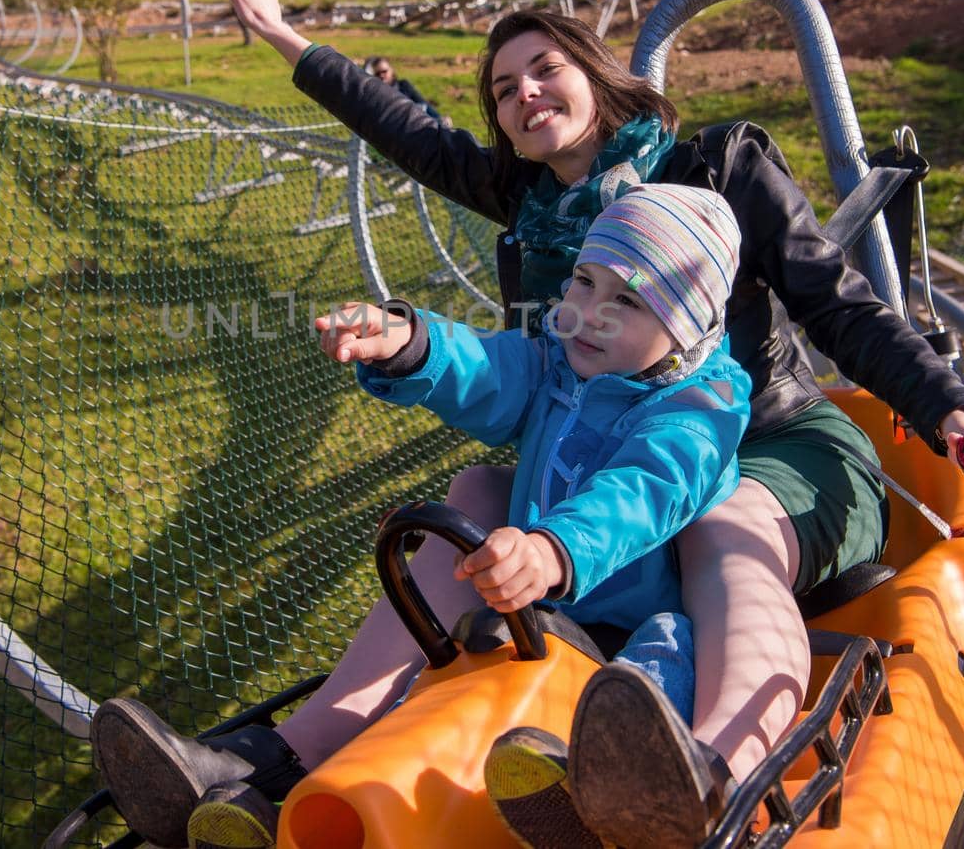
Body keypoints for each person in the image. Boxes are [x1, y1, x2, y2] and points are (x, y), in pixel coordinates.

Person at [90, 0, 964, 849]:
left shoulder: (715, 171)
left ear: (595, 69)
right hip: (610, 460)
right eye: (503, 89)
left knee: (721, 522)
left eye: (545, 68)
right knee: (466, 499)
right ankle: (276, 762)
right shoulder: (533, 202)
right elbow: (412, 140)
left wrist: (952, 411)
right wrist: (288, 40)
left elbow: (840, 307)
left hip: (760, 445)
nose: (525, 94)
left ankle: (722, 769)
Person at [92, 185, 754, 849]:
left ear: (687, 329)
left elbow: (647, 488)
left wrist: (556, 550)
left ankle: (612, 790)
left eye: (627, 301)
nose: (585, 314)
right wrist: (411, 343)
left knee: (671, 645)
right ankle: (276, 775)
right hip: (530, 612)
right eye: (583, 281)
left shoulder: (703, 407)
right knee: (437, 668)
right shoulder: (561, 362)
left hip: (617, 626)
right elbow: (491, 369)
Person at [365, 54, 442, 121]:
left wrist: (439, 118)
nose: (381, 75)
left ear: (391, 70)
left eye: (384, 71)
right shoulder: (375, 95)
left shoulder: (404, 86)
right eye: (378, 74)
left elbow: (423, 104)